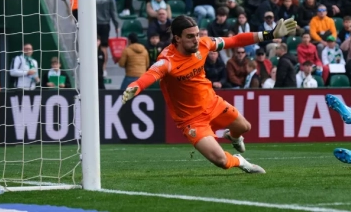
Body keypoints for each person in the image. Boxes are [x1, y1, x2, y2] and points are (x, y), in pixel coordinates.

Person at [123, 15, 296, 172]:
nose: (196, 40)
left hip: (213, 103)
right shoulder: (167, 61)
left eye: (197, 34)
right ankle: (240, 161)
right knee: (221, 161)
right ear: (177, 38)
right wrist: (135, 87)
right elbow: (149, 75)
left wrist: (270, 34)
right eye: (190, 36)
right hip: (191, 120)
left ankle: (232, 136)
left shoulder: (204, 44)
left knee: (245, 127)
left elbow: (235, 40)